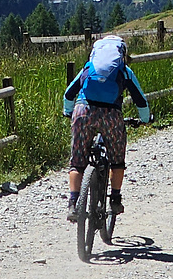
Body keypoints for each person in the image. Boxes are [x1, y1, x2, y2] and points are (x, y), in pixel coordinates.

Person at [63, 34, 150, 222]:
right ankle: (115, 199)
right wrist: (145, 119)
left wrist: (68, 112)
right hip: (111, 115)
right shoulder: (124, 71)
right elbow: (140, 100)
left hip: (83, 111)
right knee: (117, 160)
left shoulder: (87, 69)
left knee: (77, 163)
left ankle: (73, 203)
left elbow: (69, 94)